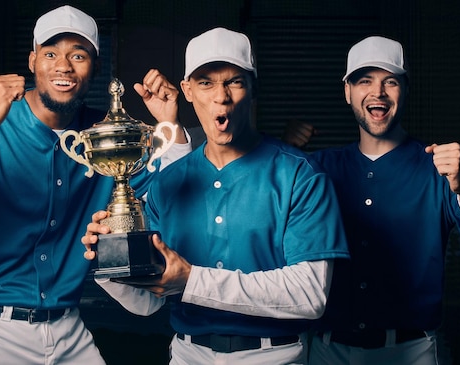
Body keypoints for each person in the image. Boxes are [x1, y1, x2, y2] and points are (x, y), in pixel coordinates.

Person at [0, 5, 189, 365]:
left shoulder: (105, 137)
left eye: (78, 55)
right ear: (33, 60)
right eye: (51, 53)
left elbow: (179, 199)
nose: (63, 66)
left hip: (68, 328)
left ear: (96, 66)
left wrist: (170, 126)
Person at [80, 27, 350, 365]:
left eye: (234, 81)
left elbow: (310, 295)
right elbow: (147, 303)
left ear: (253, 90)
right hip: (188, 354)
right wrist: (109, 263)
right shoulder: (169, 182)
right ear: (188, 91)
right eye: (206, 82)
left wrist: (193, 280)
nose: (220, 97)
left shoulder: (300, 174)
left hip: (274, 357)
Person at [284, 36, 460, 364]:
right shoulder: (318, 168)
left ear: (405, 90)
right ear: (347, 92)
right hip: (329, 351)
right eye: (364, 80)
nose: (377, 92)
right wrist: (284, 155)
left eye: (390, 81)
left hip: (412, 351)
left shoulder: (438, 168)